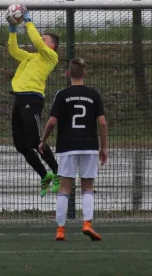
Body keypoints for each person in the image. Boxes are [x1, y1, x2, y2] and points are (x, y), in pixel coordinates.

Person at [38, 58, 108, 242]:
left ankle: (60, 230)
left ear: (68, 73)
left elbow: (52, 121)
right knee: (87, 187)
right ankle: (87, 224)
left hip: (67, 146)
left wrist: (43, 140)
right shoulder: (94, 95)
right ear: (84, 73)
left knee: (64, 188)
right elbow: (102, 122)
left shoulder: (62, 94)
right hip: (89, 146)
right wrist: (104, 147)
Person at [7, 5, 61, 197]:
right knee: (20, 144)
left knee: (35, 140)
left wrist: (28, 20)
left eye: (44, 38)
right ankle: (43, 175)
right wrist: (13, 29)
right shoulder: (31, 57)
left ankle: (57, 172)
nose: (41, 40)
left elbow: (37, 42)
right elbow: (13, 50)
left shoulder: (50, 56)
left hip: (33, 97)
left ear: (51, 45)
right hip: (19, 98)